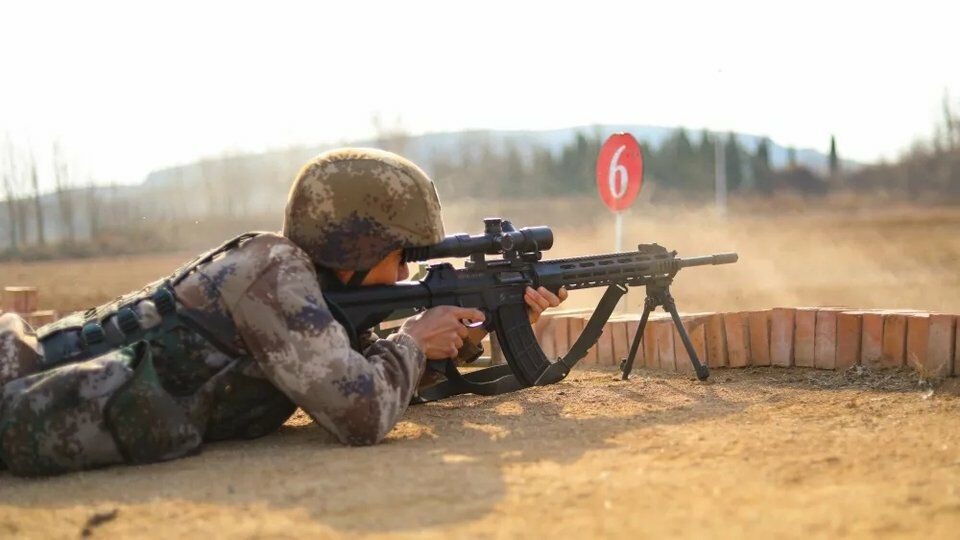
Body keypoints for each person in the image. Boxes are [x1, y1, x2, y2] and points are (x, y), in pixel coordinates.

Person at [0, 148, 566, 477]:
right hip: (22, 389)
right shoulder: (274, 275)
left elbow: (365, 376)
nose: (402, 274)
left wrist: (479, 329)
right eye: (400, 255)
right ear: (356, 247)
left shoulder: (312, 286)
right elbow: (361, 413)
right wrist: (414, 341)